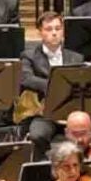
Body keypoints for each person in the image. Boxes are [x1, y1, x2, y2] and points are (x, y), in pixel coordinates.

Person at [16, 11, 84, 159]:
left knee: (90, 133)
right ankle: (47, 167)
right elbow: (26, 79)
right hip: (43, 112)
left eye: (58, 29)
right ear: (40, 31)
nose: (54, 33)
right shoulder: (29, 55)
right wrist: (58, 86)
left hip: (70, 112)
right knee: (37, 134)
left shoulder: (76, 57)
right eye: (49, 29)